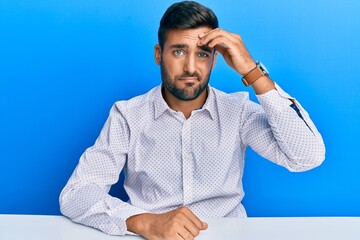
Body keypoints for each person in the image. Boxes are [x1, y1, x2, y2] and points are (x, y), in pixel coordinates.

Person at [59, 1, 325, 239]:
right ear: (158, 54)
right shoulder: (128, 115)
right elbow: (76, 194)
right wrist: (146, 223)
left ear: (214, 60)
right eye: (178, 52)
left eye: (202, 54)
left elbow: (306, 157)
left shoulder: (238, 112)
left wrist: (251, 71)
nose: (190, 67)